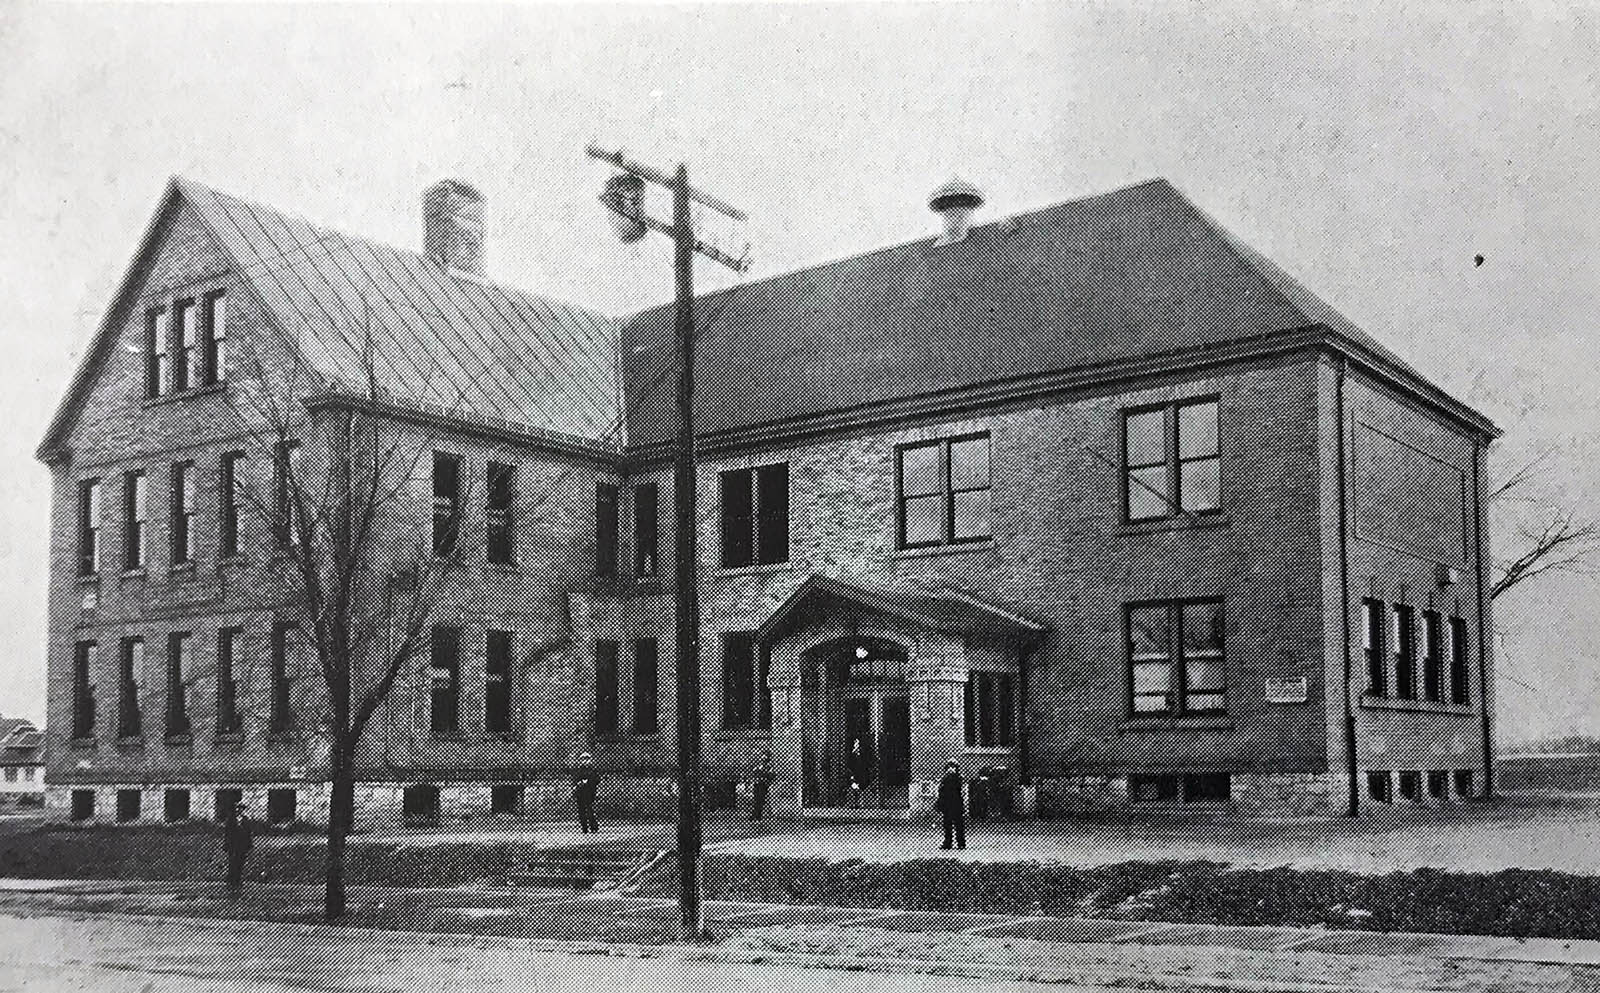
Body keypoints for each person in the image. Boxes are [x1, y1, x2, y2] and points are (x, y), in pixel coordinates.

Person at [223, 801, 255, 896]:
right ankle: (231, 881)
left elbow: (249, 833)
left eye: (241, 809)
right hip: (233, 845)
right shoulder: (231, 820)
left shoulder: (246, 820)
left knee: (240, 862)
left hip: (242, 845)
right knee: (232, 862)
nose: (239, 810)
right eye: (238, 808)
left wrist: (249, 844)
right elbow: (227, 833)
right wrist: (226, 844)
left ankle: (238, 880)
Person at [937, 760, 966, 850]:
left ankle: (960, 843)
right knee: (948, 824)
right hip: (949, 805)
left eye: (953, 767)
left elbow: (961, 791)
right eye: (949, 767)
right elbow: (941, 792)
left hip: (955, 804)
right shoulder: (947, 779)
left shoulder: (956, 778)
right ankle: (949, 842)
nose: (951, 769)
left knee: (958, 824)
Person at [573, 752, 600, 833]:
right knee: (581, 811)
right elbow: (575, 779)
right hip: (580, 793)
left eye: (586, 759)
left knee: (590, 810)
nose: (584, 761)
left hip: (589, 792)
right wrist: (578, 784)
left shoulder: (593, 769)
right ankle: (584, 827)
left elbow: (597, 779)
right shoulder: (578, 769)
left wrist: (588, 781)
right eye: (583, 759)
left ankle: (593, 827)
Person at [748, 750, 776, 821]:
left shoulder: (769, 766)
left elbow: (772, 775)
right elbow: (754, 773)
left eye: (764, 758)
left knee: (760, 800)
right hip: (757, 784)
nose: (762, 759)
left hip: (763, 785)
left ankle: (757, 815)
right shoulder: (758, 765)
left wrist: (765, 776)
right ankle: (756, 815)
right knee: (756, 800)